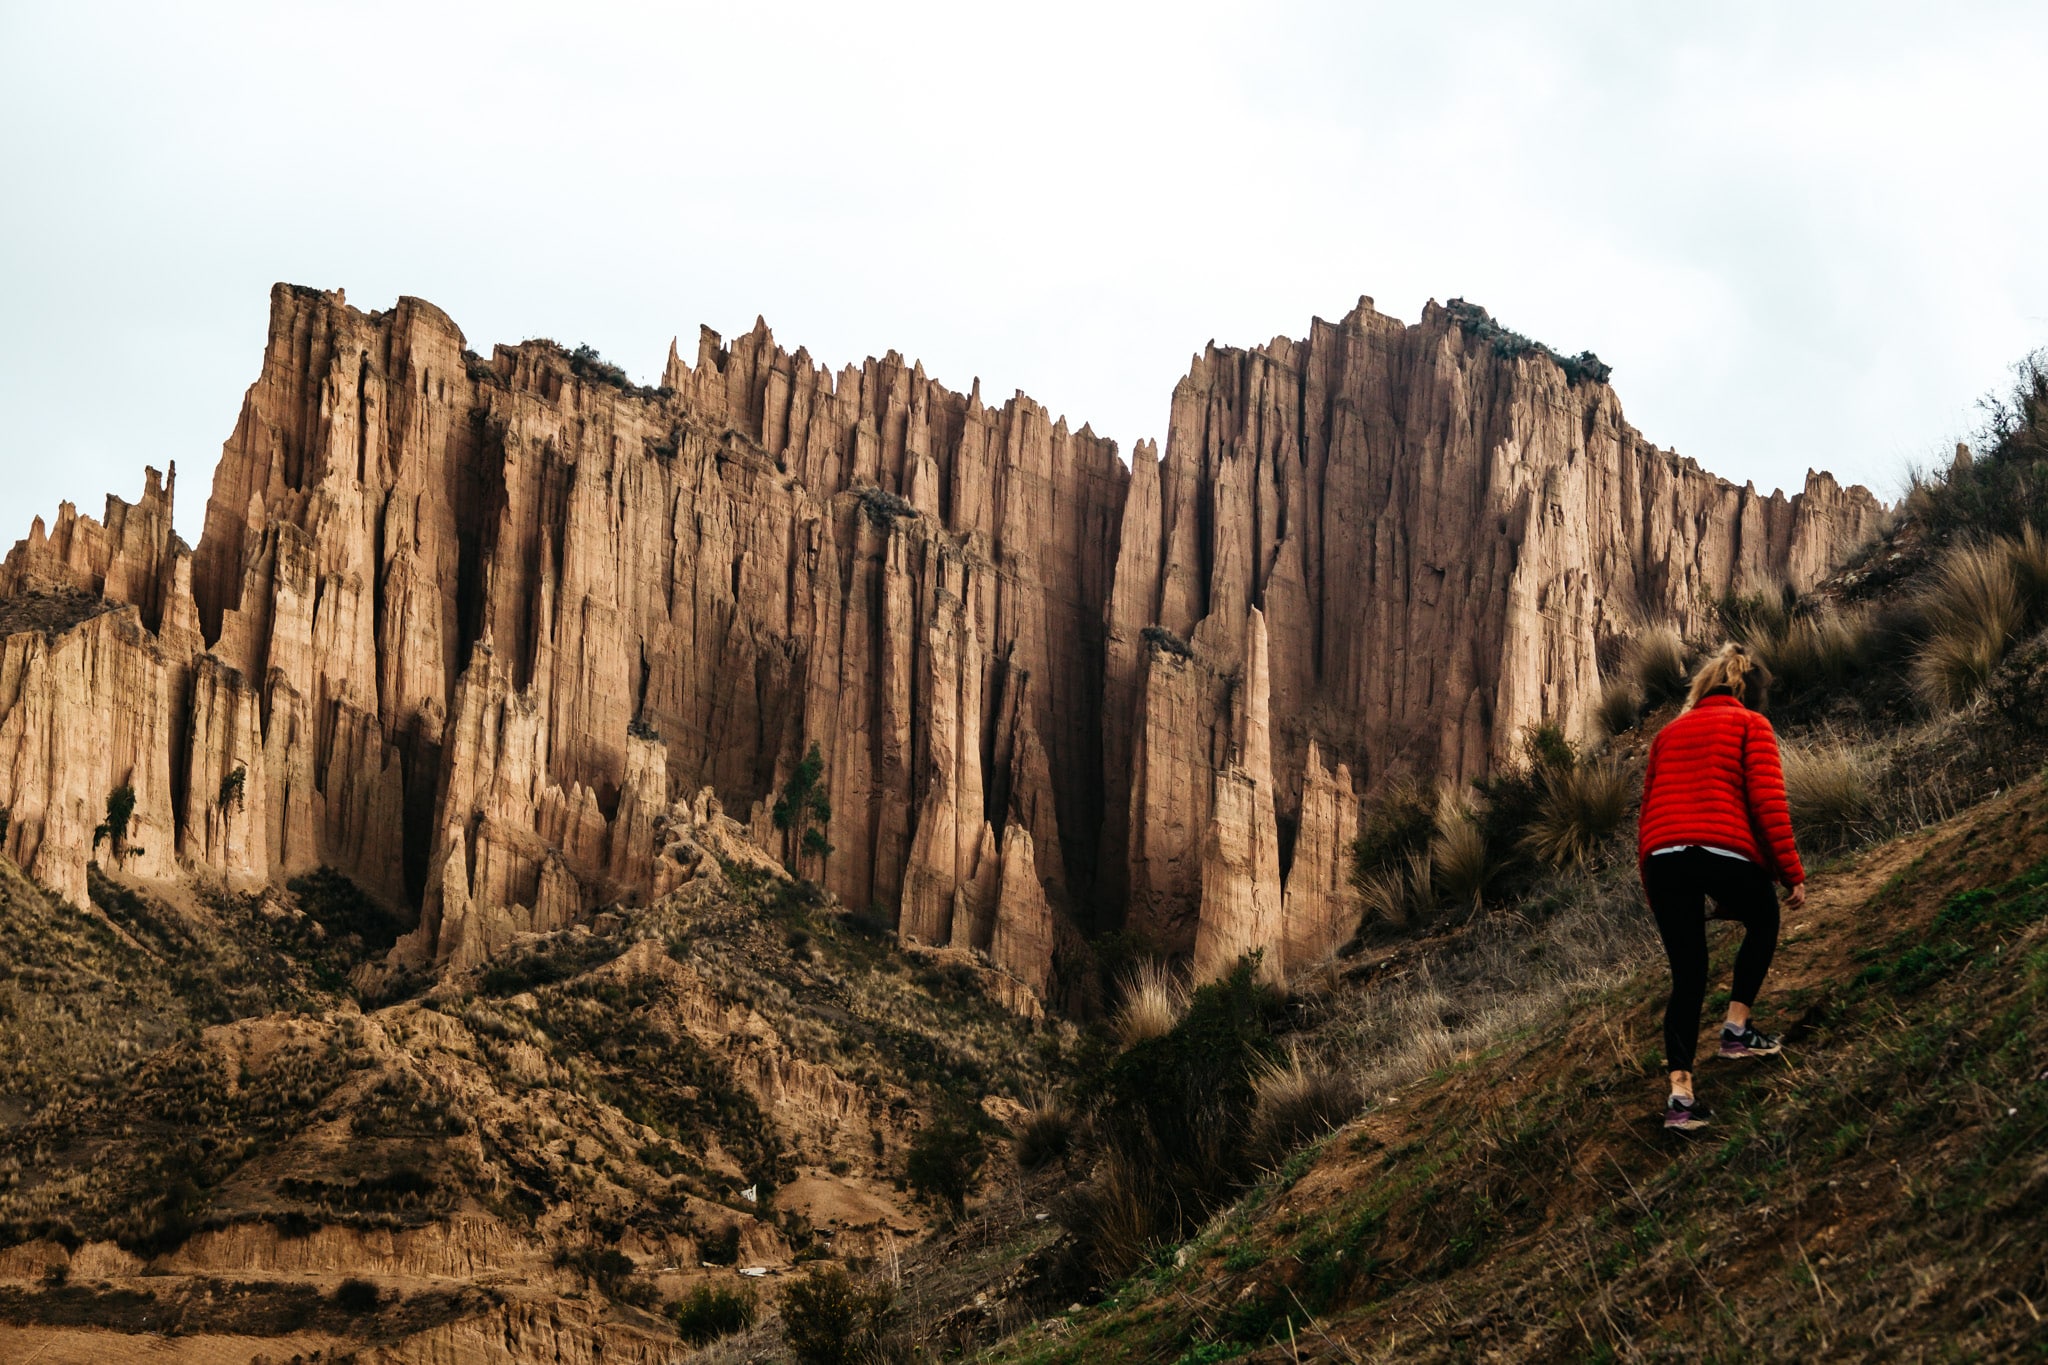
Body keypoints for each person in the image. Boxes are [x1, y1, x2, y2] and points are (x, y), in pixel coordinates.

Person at [1636, 642, 1806, 1132]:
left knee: (1688, 976)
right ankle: (1736, 1029)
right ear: (1750, 693)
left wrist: (1656, 889)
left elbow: (1647, 817)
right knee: (1764, 917)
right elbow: (1767, 804)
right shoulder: (1752, 725)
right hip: (1721, 850)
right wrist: (1790, 872)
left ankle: (1681, 1099)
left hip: (1665, 857)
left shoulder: (1667, 734)